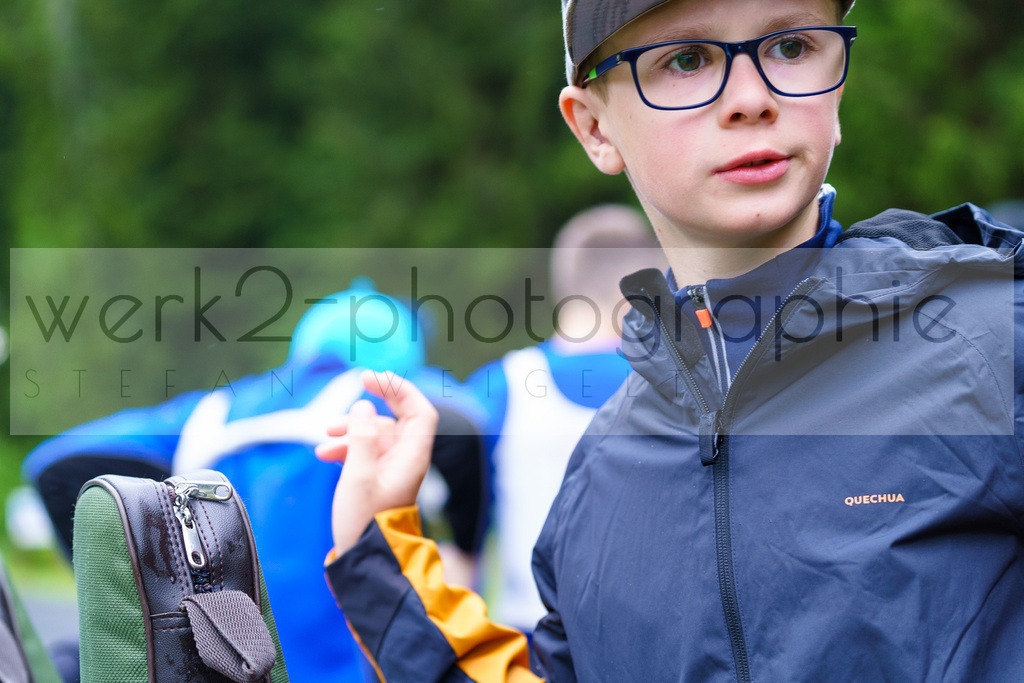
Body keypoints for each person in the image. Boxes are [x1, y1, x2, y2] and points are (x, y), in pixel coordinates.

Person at [317, 0, 1024, 680]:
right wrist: (380, 555)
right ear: (594, 127)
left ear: (837, 85)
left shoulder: (992, 342)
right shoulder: (600, 475)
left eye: (791, 46)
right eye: (686, 59)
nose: (751, 97)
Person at [24, 280, 488, 682]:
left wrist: (143, 585)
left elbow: (57, 465)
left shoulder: (217, 410)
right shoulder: (373, 396)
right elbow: (464, 424)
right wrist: (465, 550)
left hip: (230, 662)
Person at [467, 204, 661, 631]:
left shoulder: (498, 387)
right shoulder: (678, 383)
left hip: (528, 642)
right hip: (653, 642)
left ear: (566, 285)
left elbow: (462, 540)